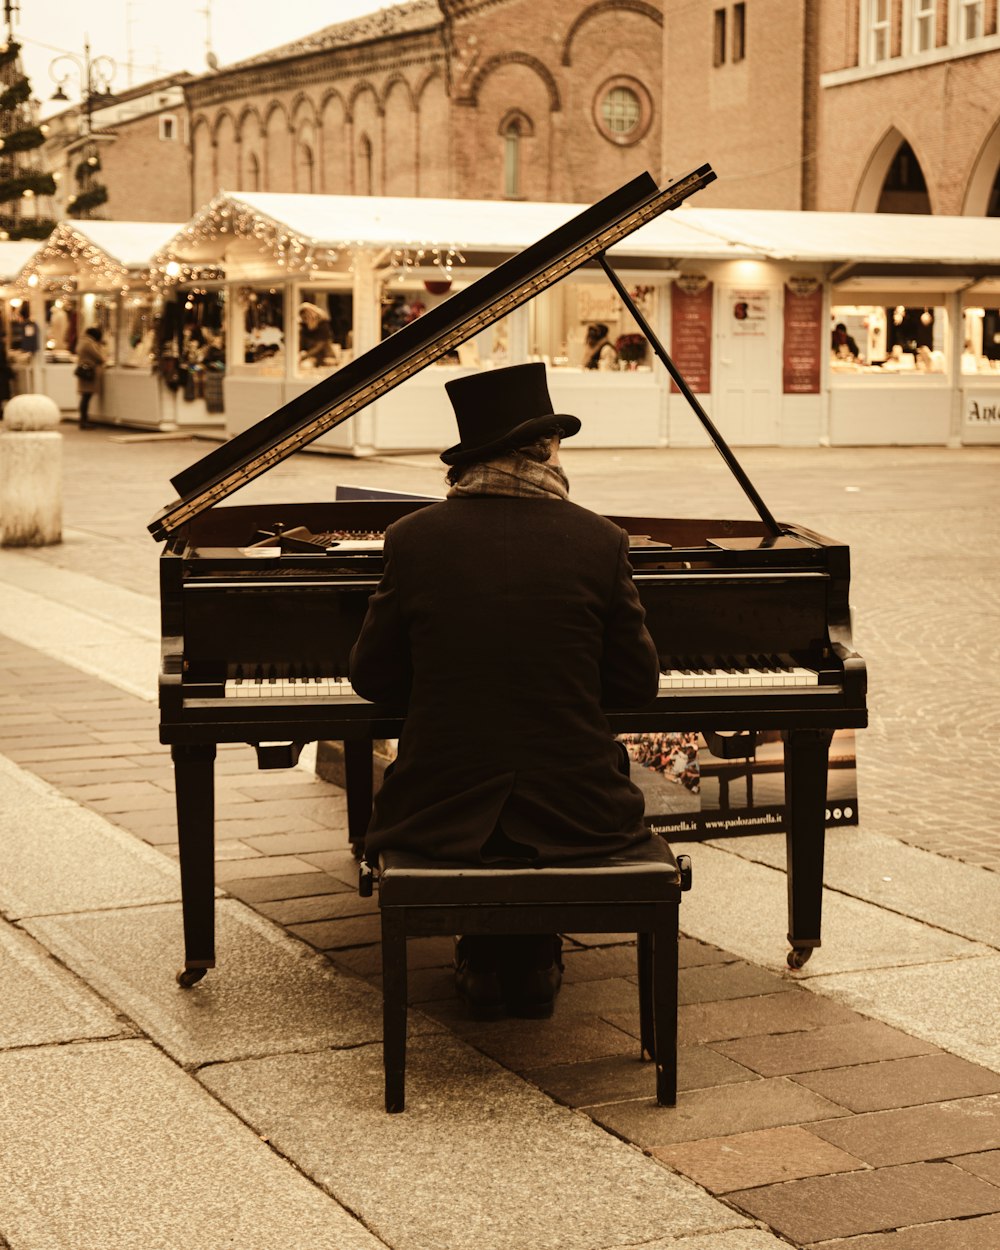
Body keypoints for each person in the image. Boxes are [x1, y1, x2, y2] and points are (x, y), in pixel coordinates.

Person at [350, 362, 660, 1019]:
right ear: (546, 448)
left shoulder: (412, 540)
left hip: (439, 808)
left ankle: (488, 959)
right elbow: (636, 683)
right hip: (581, 811)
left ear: (471, 459)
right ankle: (531, 961)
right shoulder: (600, 542)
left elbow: (372, 679)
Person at [75, 327, 105, 428]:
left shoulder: (82, 342)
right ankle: (84, 421)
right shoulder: (89, 343)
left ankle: (83, 420)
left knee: (85, 397)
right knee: (86, 397)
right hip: (89, 372)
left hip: (84, 371)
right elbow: (100, 357)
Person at [298, 301, 336, 367]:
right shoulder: (303, 326)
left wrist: (304, 356)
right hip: (309, 357)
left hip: (325, 357)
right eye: (303, 318)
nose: (305, 320)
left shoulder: (323, 325)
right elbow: (301, 343)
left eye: (306, 317)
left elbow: (319, 346)